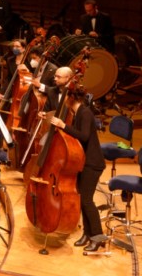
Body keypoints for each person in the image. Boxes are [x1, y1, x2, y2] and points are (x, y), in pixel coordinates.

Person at [42, 70, 106, 253]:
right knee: (82, 200)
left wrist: (63, 126)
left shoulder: (85, 113)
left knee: (87, 201)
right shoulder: (76, 113)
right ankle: (87, 233)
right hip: (83, 162)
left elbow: (84, 136)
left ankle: (98, 237)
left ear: (70, 98)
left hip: (93, 163)